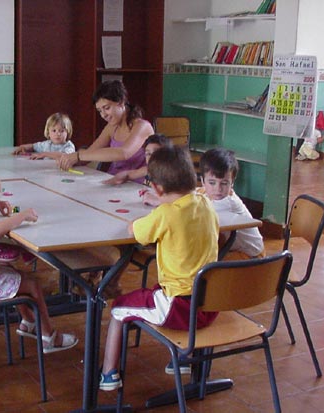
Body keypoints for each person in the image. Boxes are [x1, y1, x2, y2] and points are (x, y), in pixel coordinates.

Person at [99, 146, 219, 391]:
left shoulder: (165, 214)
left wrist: (144, 216)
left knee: (118, 309)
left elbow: (136, 231)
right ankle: (183, 359)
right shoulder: (205, 203)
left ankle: (109, 374)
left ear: (157, 188)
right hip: (210, 304)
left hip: (179, 307)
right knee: (177, 283)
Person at [0, 165, 78, 353]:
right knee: (32, 285)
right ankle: (50, 337)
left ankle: (28, 323)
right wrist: (20, 216)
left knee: (13, 272)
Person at [57, 80, 154, 183]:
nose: (103, 115)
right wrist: (69, 159)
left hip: (136, 187)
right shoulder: (112, 127)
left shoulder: (142, 126)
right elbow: (90, 153)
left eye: (106, 108)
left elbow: (123, 153)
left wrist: (79, 156)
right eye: (100, 111)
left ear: (121, 103)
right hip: (113, 182)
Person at [199, 148, 264, 259]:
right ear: (202, 181)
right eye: (212, 182)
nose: (218, 189)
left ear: (232, 183)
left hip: (251, 256)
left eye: (224, 183)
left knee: (204, 265)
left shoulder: (227, 202)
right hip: (233, 249)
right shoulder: (205, 192)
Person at [102, 133, 170, 186]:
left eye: (156, 153)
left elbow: (175, 198)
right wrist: (116, 178)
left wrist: (155, 200)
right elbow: (129, 174)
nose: (151, 157)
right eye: (148, 153)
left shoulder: (170, 174)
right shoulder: (147, 170)